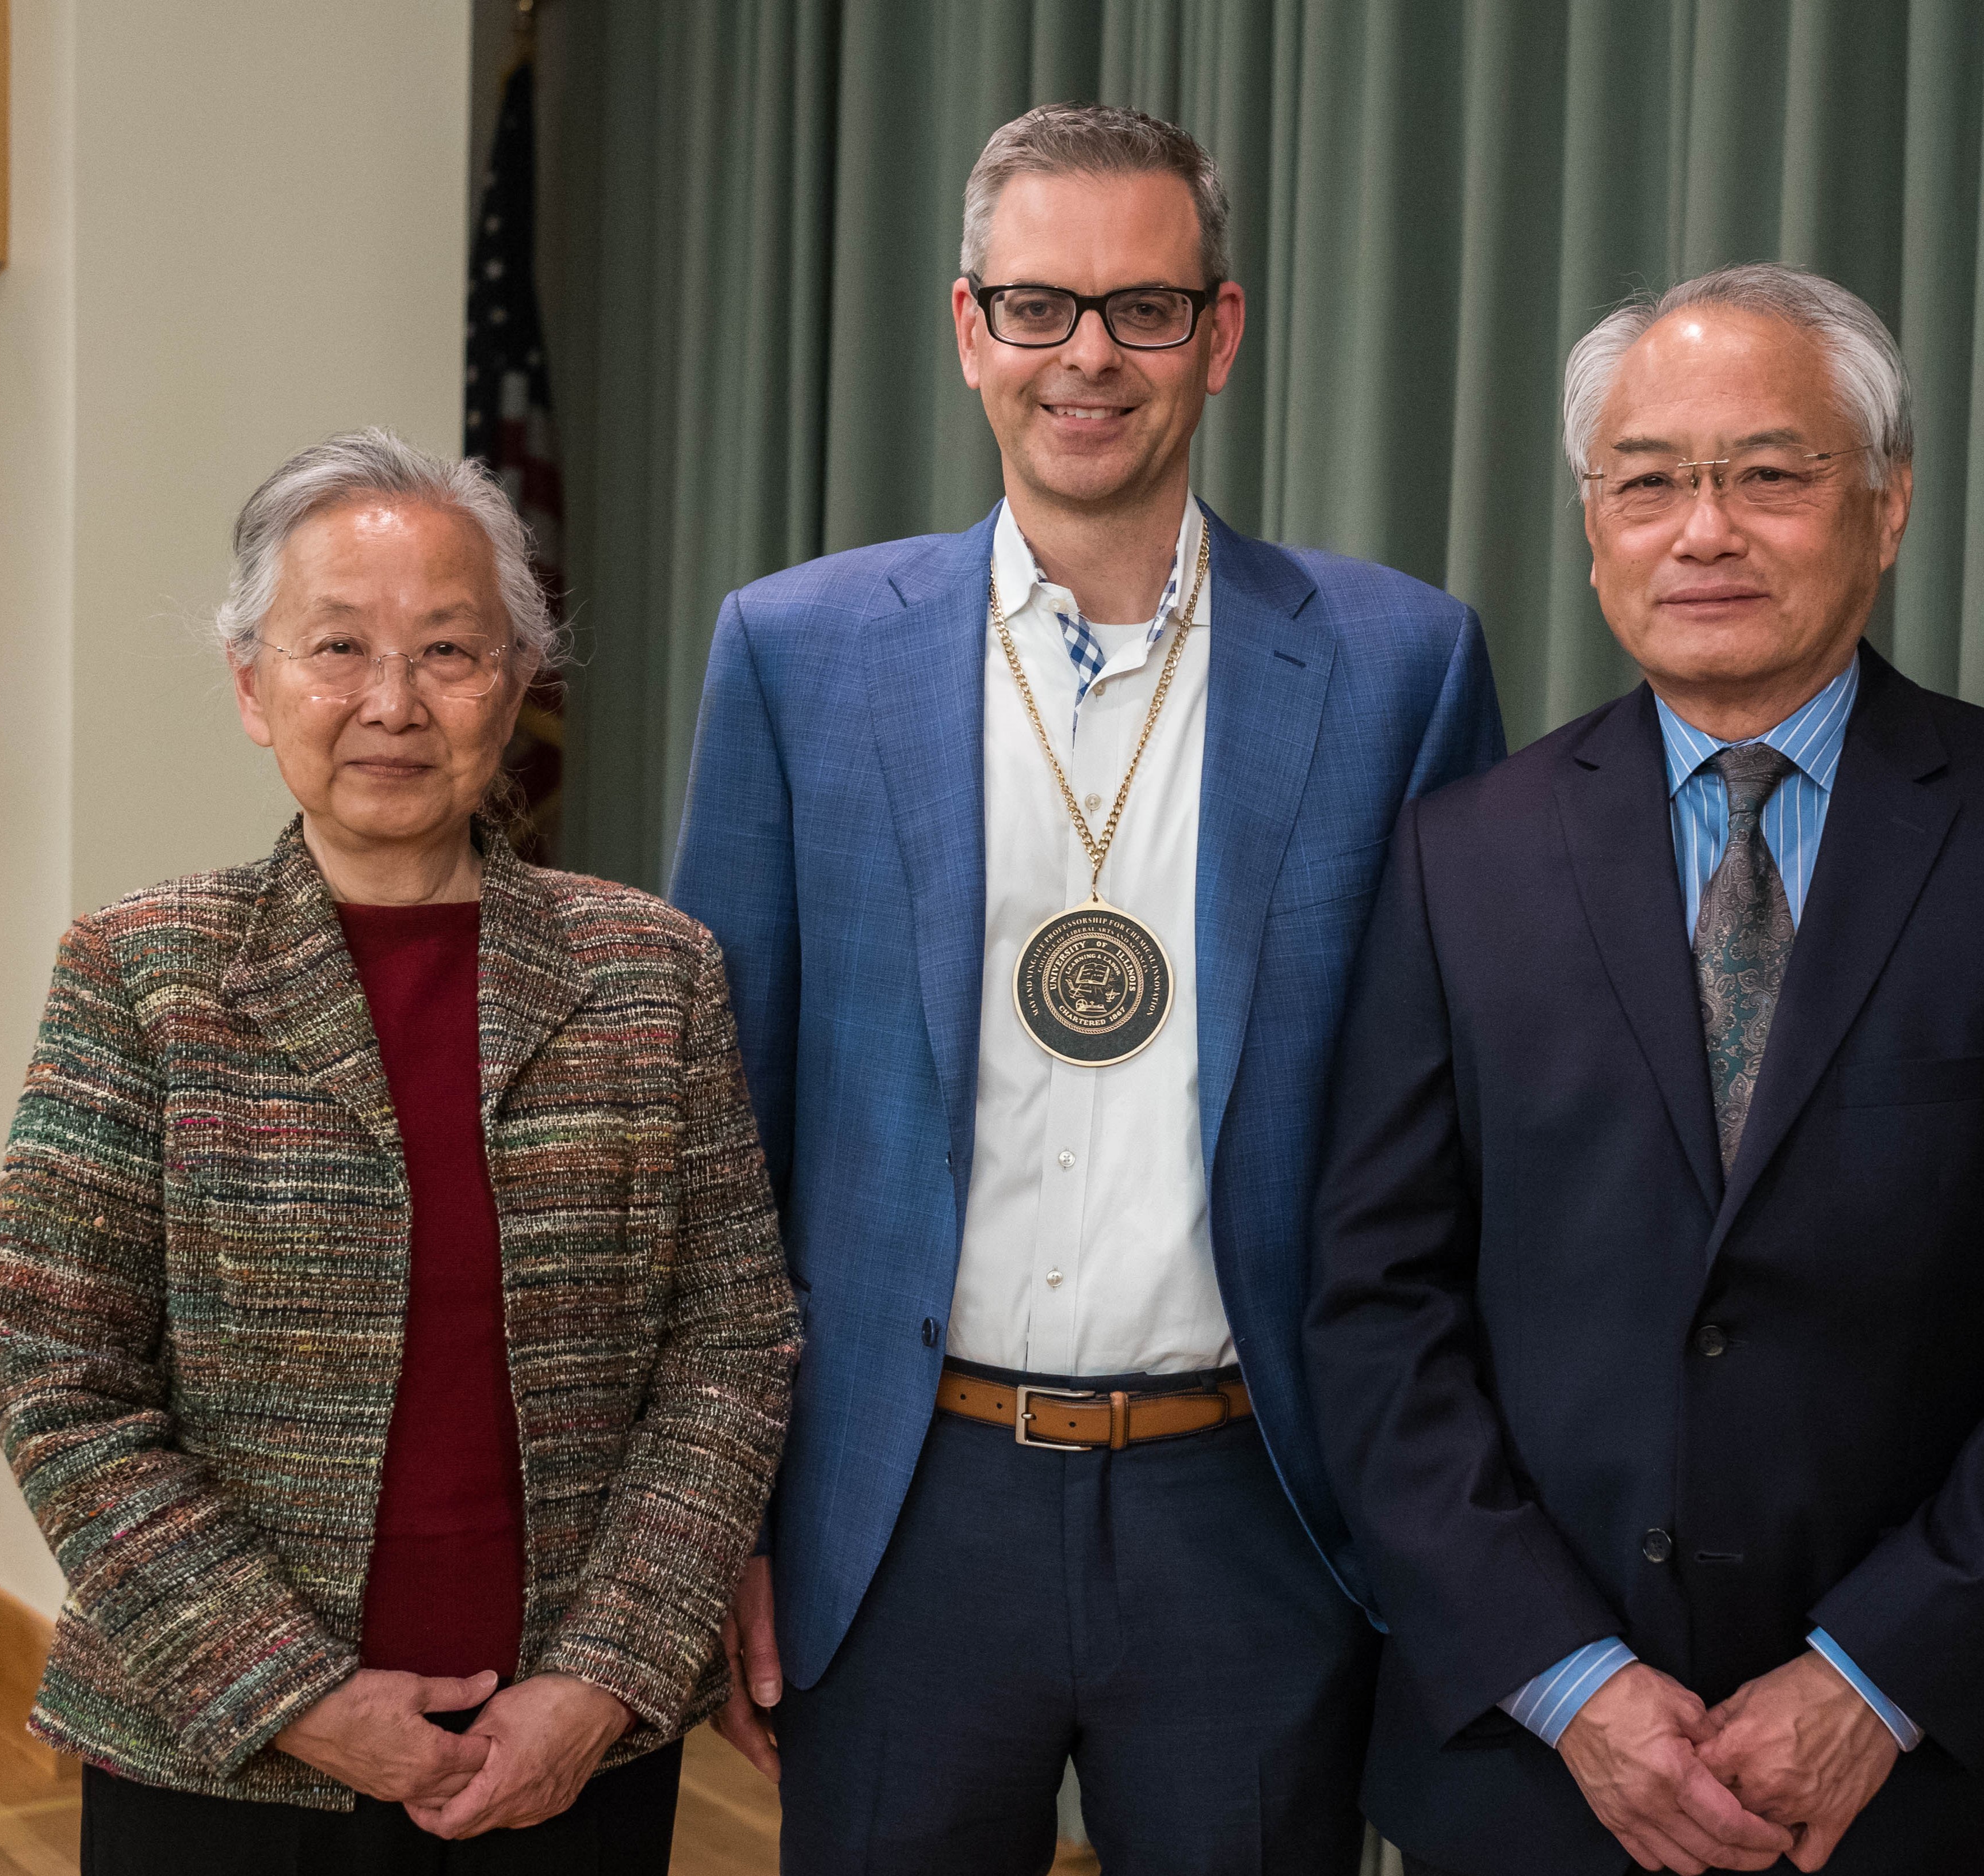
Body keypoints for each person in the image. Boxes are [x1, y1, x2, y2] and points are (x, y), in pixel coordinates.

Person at [671, 102, 1505, 1875]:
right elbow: (717, 1133)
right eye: (1040, 307)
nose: (1089, 357)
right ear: (970, 327)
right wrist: (725, 1520)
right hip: (900, 1502)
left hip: (1254, 1504)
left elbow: (1455, 1140)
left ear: (1223, 328)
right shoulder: (795, 653)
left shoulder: (1402, 664)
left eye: (1144, 306)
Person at [1305, 263, 1984, 1876]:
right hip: (1533, 1774)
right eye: (1648, 480)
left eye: (1769, 473)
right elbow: (1380, 1303)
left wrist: (1878, 1673)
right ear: (1594, 530)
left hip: (1905, 1782)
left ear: (1887, 500)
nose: (1703, 529)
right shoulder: (1462, 854)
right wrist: (1573, 1684)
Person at [0, 430, 800, 1873]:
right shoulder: (140, 973)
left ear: (515, 681)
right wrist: (295, 1693)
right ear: (252, 683)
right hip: (219, 1756)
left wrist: (604, 1674)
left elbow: (729, 1343)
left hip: (562, 1751)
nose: (391, 704)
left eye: (449, 651)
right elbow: (62, 1375)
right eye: (337, 646)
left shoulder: (651, 972)